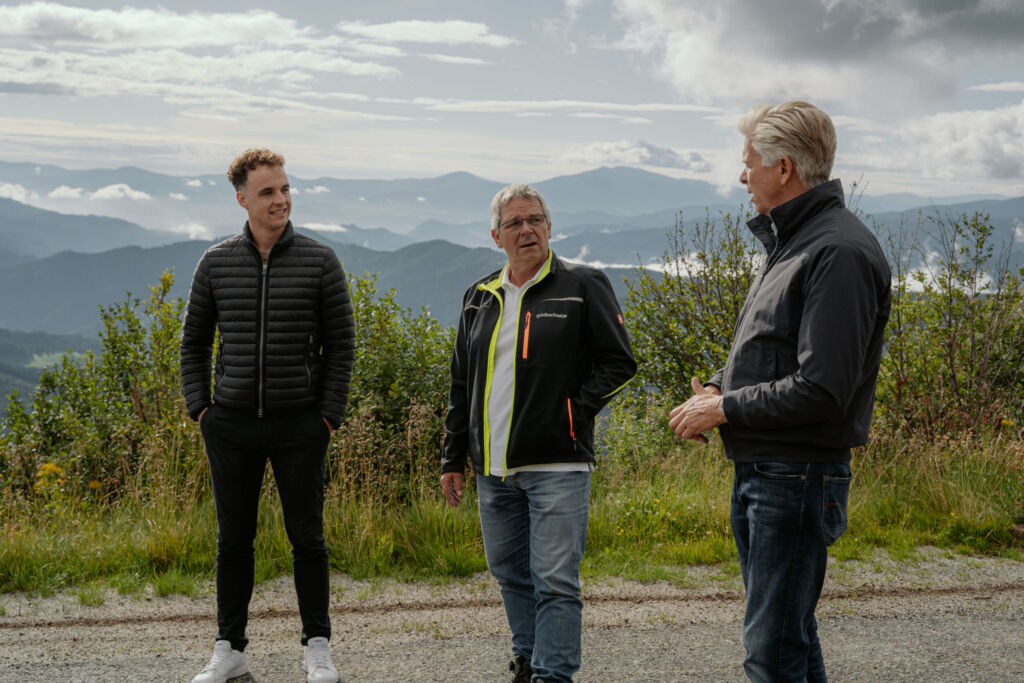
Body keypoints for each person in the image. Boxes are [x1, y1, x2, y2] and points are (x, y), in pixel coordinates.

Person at [669, 101, 891, 682]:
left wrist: (724, 408)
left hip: (794, 477)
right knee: (790, 638)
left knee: (771, 652)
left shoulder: (835, 251)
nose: (742, 177)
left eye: (750, 164)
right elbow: (772, 346)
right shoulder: (795, 240)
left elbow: (822, 389)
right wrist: (719, 386)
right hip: (772, 472)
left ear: (784, 167)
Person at [440, 184, 636, 683]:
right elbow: (461, 383)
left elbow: (620, 362)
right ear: (496, 236)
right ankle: (527, 661)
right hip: (493, 470)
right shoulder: (478, 296)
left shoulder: (582, 284)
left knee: (554, 580)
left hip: (558, 464)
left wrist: (572, 413)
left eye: (535, 220)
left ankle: (554, 675)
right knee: (511, 575)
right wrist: (452, 457)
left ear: (549, 227)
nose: (526, 230)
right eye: (515, 223)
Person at [181, 148, 355, 683]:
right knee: (233, 540)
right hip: (230, 424)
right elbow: (193, 343)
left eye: (284, 189)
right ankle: (229, 649)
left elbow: (341, 345)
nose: (281, 200)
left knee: (308, 538)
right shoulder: (215, 262)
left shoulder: (320, 261)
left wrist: (328, 415)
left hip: (300, 424)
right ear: (242, 200)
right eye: (268, 192)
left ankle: (317, 648)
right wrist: (201, 409)